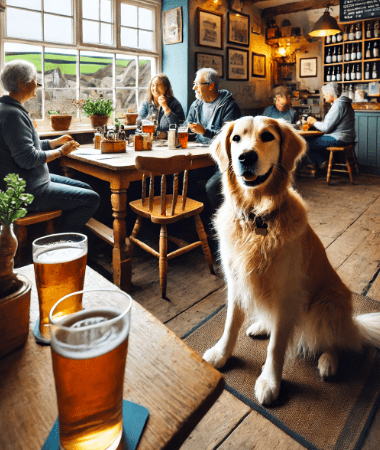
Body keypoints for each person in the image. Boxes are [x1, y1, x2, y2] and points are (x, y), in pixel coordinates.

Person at [0, 59, 100, 232]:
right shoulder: (12, 115)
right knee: (91, 199)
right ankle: (60, 242)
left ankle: (70, 237)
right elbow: (28, 159)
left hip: (34, 181)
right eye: (34, 80)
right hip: (28, 190)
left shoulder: (9, 109)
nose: (37, 84)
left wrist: (56, 142)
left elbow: (31, 146)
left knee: (86, 188)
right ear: (21, 84)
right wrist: (61, 151)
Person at [186, 68, 241, 212]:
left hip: (224, 161)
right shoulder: (196, 105)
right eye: (194, 83)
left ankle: (220, 221)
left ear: (210, 86)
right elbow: (187, 127)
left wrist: (204, 132)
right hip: (201, 157)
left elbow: (231, 138)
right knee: (183, 177)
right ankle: (196, 218)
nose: (194, 88)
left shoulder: (229, 106)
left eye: (198, 84)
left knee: (212, 186)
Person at [306, 82, 355, 170]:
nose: (324, 96)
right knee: (313, 140)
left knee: (306, 144)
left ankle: (321, 163)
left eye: (325, 94)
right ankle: (319, 164)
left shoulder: (338, 105)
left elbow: (326, 128)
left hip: (339, 138)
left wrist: (313, 122)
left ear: (331, 94)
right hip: (347, 137)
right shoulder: (345, 104)